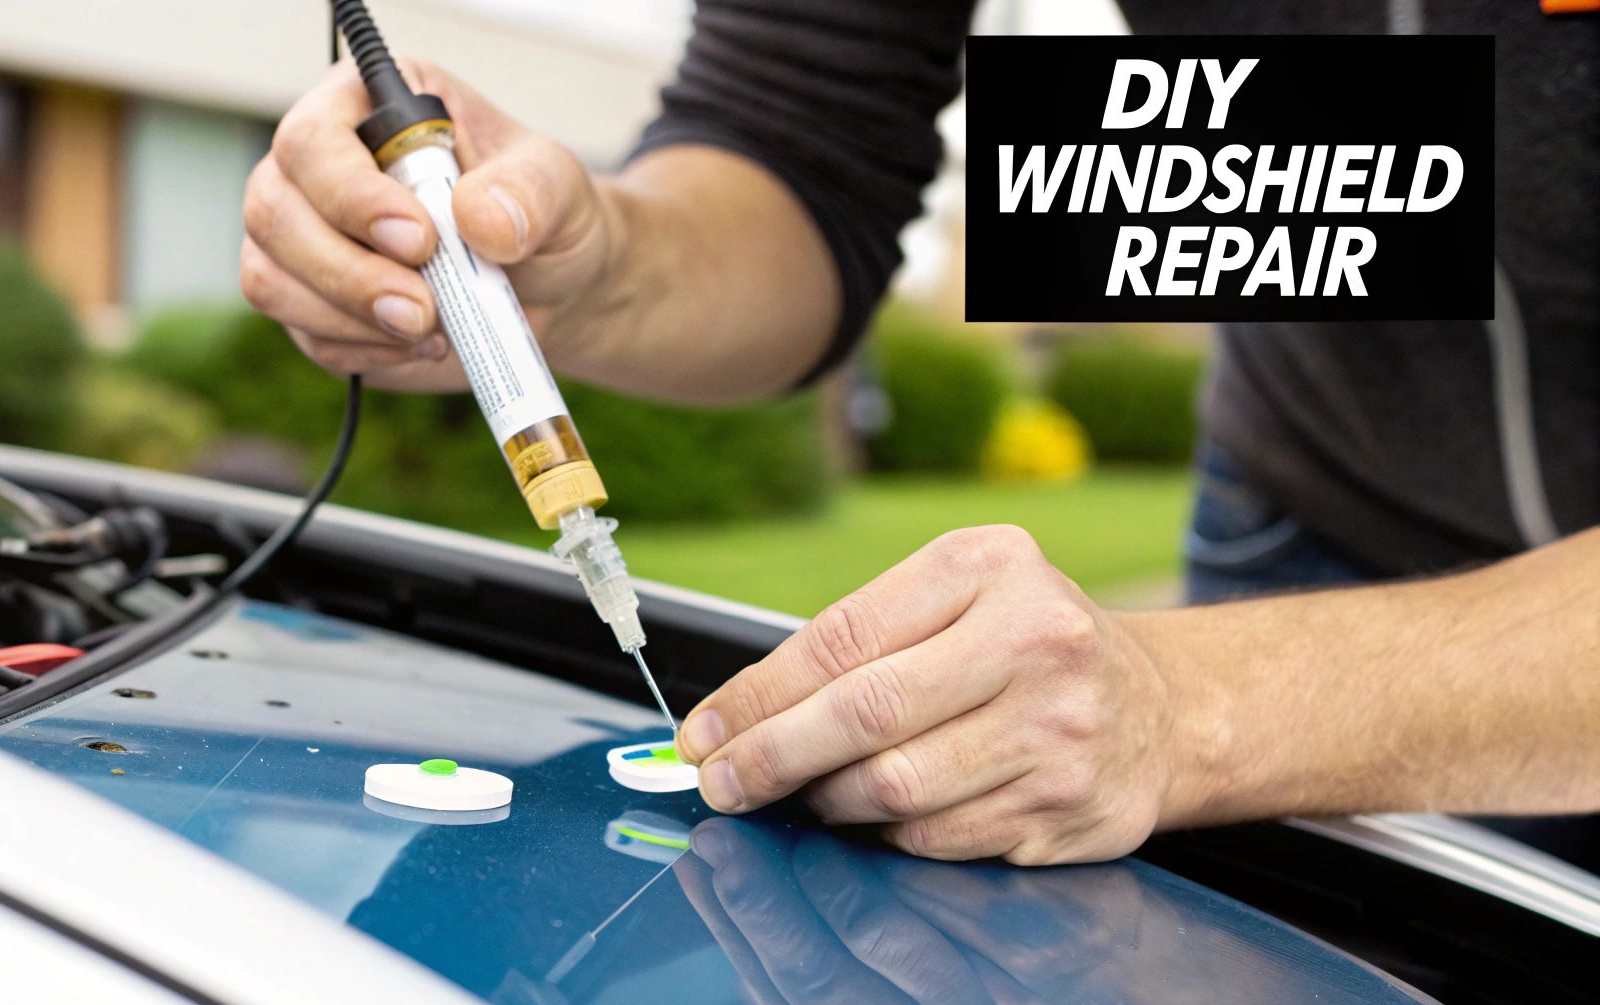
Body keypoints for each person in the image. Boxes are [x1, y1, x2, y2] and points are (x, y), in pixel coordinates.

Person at [240, 1, 1600, 866]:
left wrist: (1195, 707)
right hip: (1316, 502)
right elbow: (798, 139)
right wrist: (597, 264)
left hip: (1260, 655)